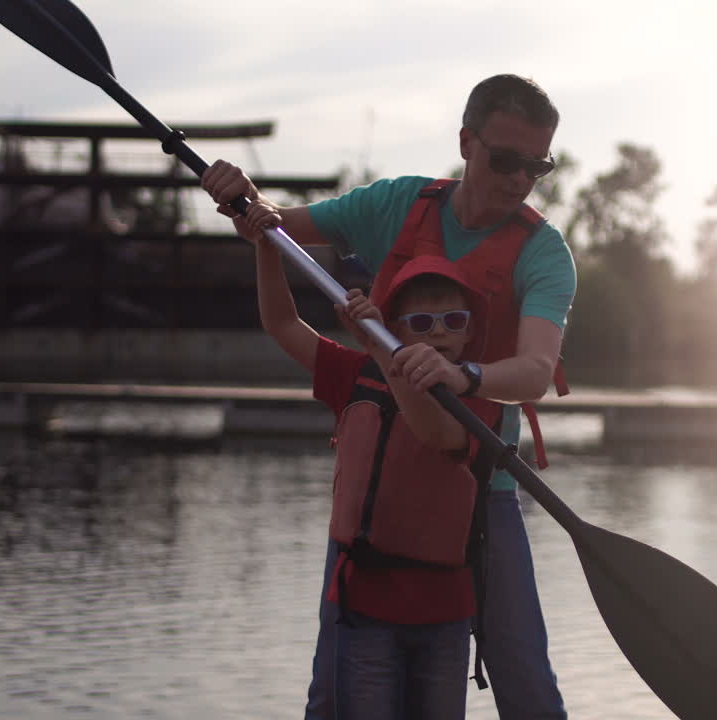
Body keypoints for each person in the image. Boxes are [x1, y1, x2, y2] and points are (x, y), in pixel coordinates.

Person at [202, 73, 573, 720]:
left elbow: (536, 371)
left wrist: (466, 378)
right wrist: (243, 202)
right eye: (505, 160)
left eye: (536, 166)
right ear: (466, 141)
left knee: (528, 692)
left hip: (479, 491)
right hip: (382, 489)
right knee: (331, 697)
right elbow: (272, 231)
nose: (520, 180)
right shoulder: (397, 205)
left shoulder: (544, 253)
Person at [248, 207, 498, 719]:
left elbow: (438, 437)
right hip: (365, 611)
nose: (439, 333)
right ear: (397, 326)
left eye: (454, 321)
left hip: (444, 617)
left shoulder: (478, 396)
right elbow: (281, 323)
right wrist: (264, 248)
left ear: (470, 332)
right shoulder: (355, 373)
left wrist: (384, 352)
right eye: (421, 322)